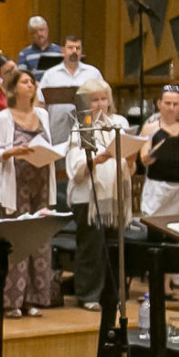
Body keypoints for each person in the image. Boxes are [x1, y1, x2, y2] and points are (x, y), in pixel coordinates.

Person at [0, 70, 58, 316]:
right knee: (18, 240)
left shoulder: (42, 114)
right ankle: (11, 301)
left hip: (41, 182)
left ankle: (34, 298)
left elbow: (48, 144)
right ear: (14, 88)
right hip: (17, 185)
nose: (31, 85)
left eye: (32, 81)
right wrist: (12, 151)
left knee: (39, 240)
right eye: (25, 81)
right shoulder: (4, 117)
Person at [64, 79, 129, 313]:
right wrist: (97, 160)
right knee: (92, 247)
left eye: (103, 98)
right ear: (85, 103)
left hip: (114, 196)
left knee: (114, 246)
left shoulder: (119, 122)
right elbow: (76, 166)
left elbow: (128, 153)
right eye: (94, 100)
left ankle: (111, 294)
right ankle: (88, 294)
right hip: (88, 197)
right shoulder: (83, 125)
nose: (100, 104)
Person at [138, 84, 179, 293]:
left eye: (176, 104)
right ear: (159, 104)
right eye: (167, 103)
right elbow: (144, 159)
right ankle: (153, 285)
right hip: (158, 187)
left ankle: (166, 285)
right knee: (155, 235)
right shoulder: (150, 128)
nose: (171, 108)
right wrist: (160, 148)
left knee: (174, 237)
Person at [39, 35, 108, 96]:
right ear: (63, 50)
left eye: (78, 48)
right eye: (70, 48)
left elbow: (104, 97)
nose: (74, 51)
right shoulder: (50, 74)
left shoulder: (93, 73)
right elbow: (40, 100)